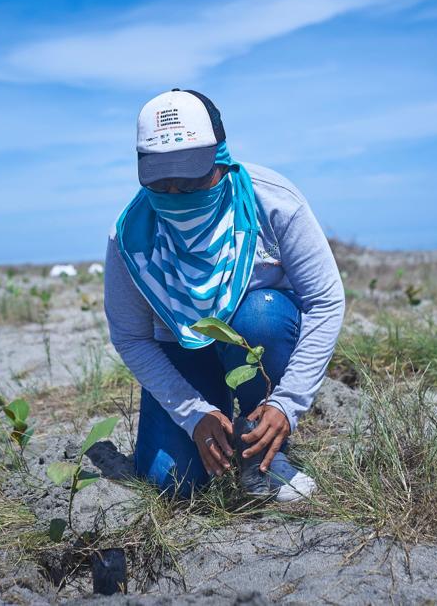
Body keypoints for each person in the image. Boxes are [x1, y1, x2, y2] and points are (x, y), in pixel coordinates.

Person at [104, 89, 345, 501]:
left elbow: (326, 301)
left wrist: (287, 403)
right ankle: (215, 415)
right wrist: (193, 413)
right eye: (163, 183)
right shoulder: (131, 236)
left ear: (222, 159)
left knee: (261, 316)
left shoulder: (274, 203)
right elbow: (131, 336)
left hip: (254, 342)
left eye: (192, 178)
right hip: (182, 355)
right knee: (173, 481)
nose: (178, 194)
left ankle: (265, 449)